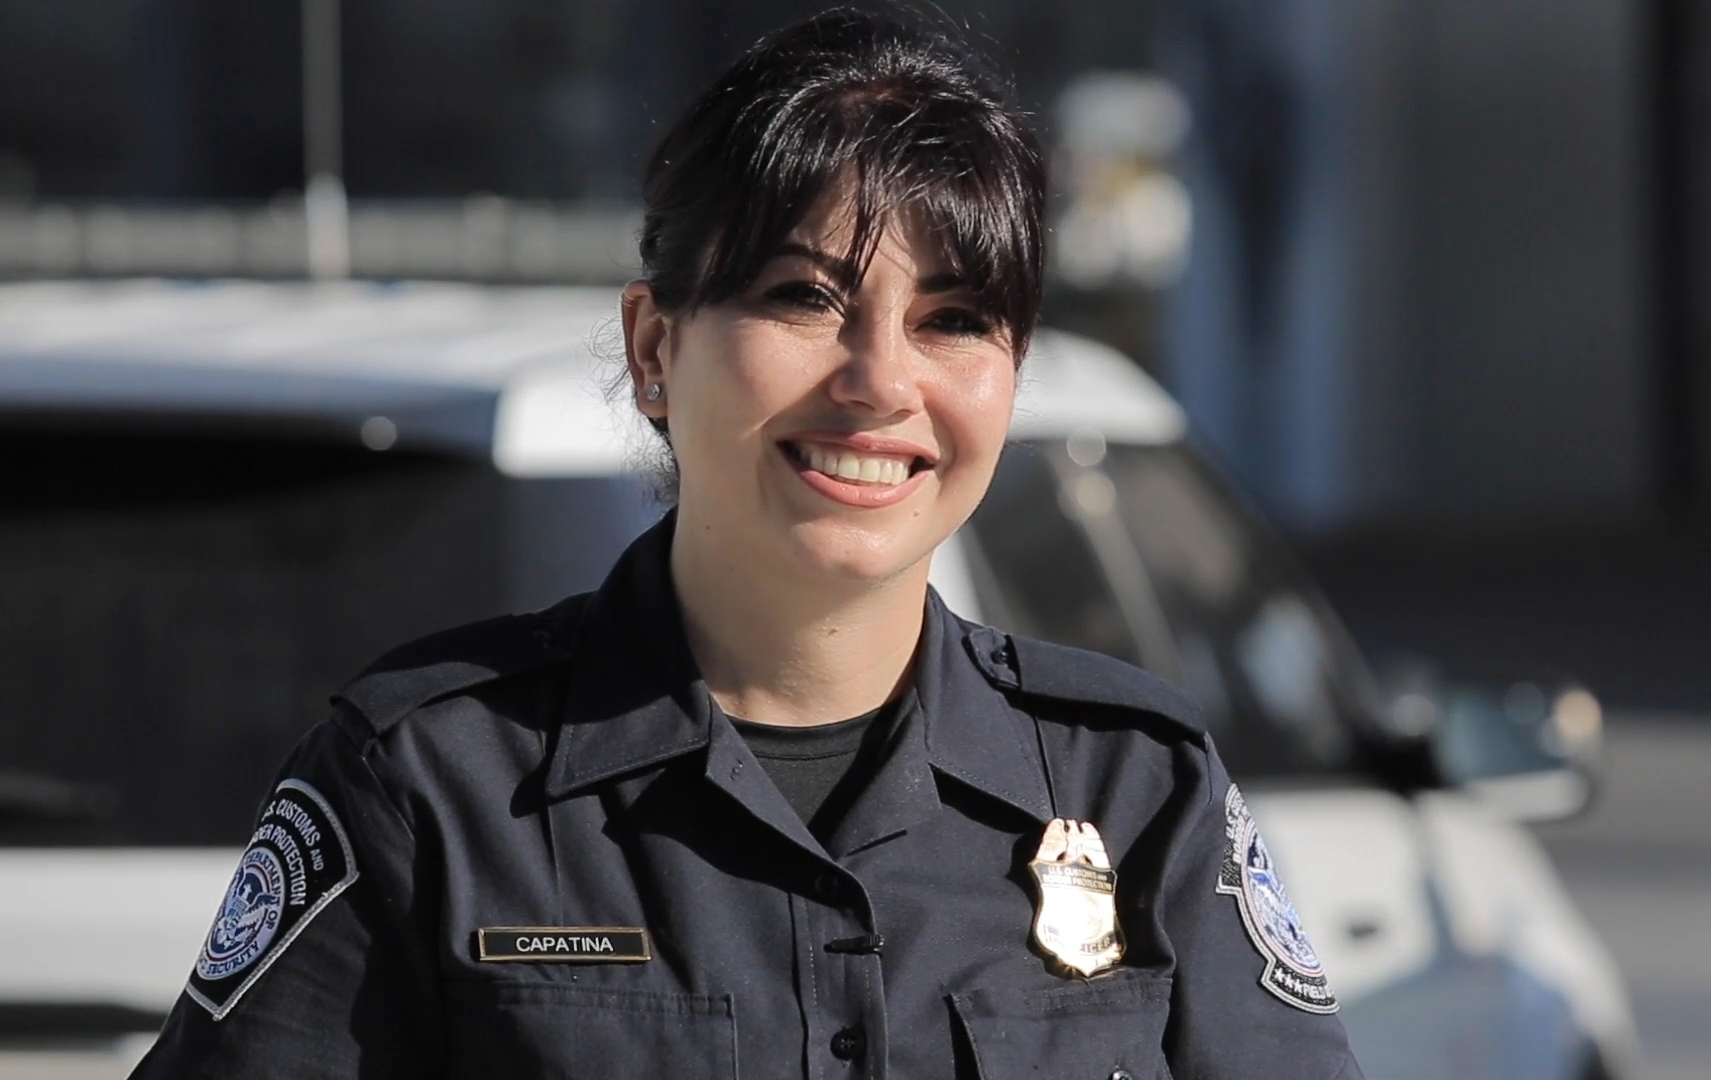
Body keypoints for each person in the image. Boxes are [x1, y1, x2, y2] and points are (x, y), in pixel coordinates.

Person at [131, 9, 1365, 1078]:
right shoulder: (429, 788)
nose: (882, 383)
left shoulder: (1134, 786)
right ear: (654, 349)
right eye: (803, 297)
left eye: (954, 320)